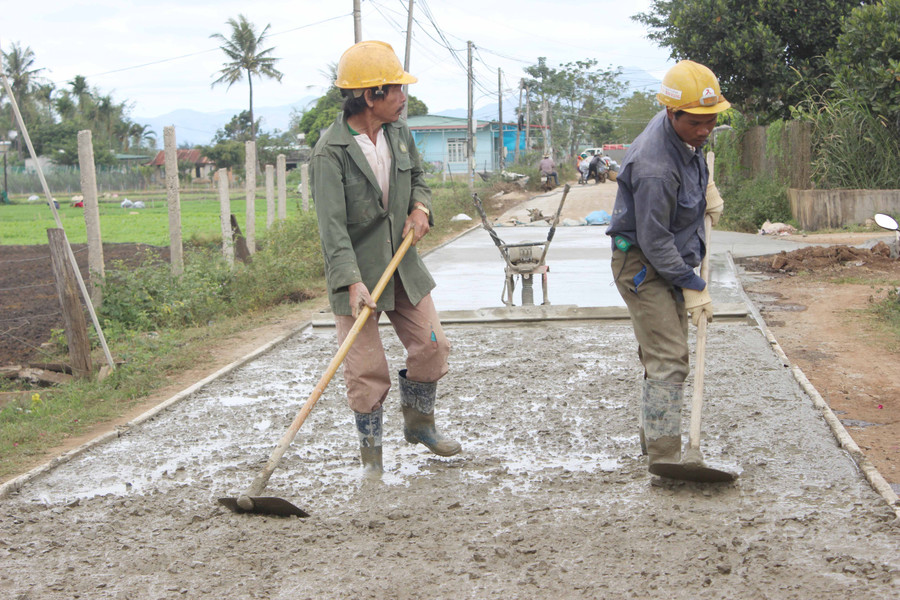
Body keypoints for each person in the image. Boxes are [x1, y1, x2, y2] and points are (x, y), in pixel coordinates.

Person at [309, 40, 461, 477]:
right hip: (356, 276)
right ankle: (372, 460)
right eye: (396, 89)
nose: (403, 97)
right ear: (371, 95)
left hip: (402, 264)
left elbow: (418, 180)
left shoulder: (398, 133)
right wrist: (349, 281)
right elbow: (331, 228)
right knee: (366, 370)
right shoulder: (330, 153)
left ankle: (419, 424)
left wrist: (421, 208)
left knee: (434, 346)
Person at [605, 60, 727, 473]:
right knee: (671, 357)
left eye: (711, 120)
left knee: (662, 355)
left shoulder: (681, 130)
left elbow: (692, 156)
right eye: (697, 122)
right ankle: (665, 458)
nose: (705, 129)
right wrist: (693, 284)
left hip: (666, 255)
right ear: (673, 114)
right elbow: (655, 241)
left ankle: (653, 442)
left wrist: (705, 185)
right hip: (642, 264)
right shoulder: (654, 166)